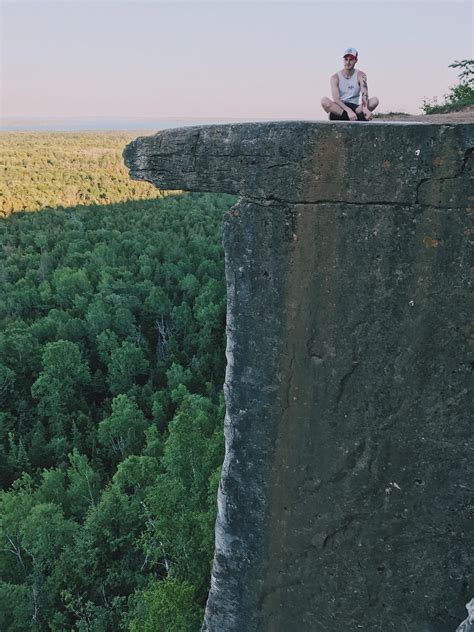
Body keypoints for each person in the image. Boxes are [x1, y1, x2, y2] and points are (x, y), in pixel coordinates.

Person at [321, 48, 379, 121]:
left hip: (356, 108)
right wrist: (349, 111)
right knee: (324, 101)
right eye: (346, 59)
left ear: (356, 60)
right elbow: (336, 99)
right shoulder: (335, 77)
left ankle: (354, 116)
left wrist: (365, 108)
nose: (348, 62)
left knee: (374, 100)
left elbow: (365, 94)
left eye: (351, 59)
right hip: (340, 108)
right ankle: (357, 117)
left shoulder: (361, 75)